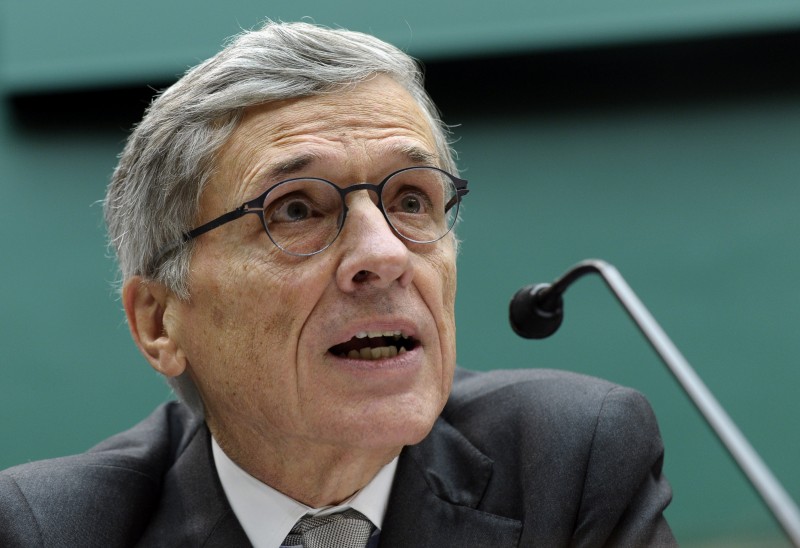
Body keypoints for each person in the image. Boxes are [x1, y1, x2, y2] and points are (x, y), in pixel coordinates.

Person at [0, 20, 676, 547]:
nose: (383, 255)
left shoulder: (572, 461)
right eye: (295, 210)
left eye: (412, 200)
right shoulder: (47, 530)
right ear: (159, 321)